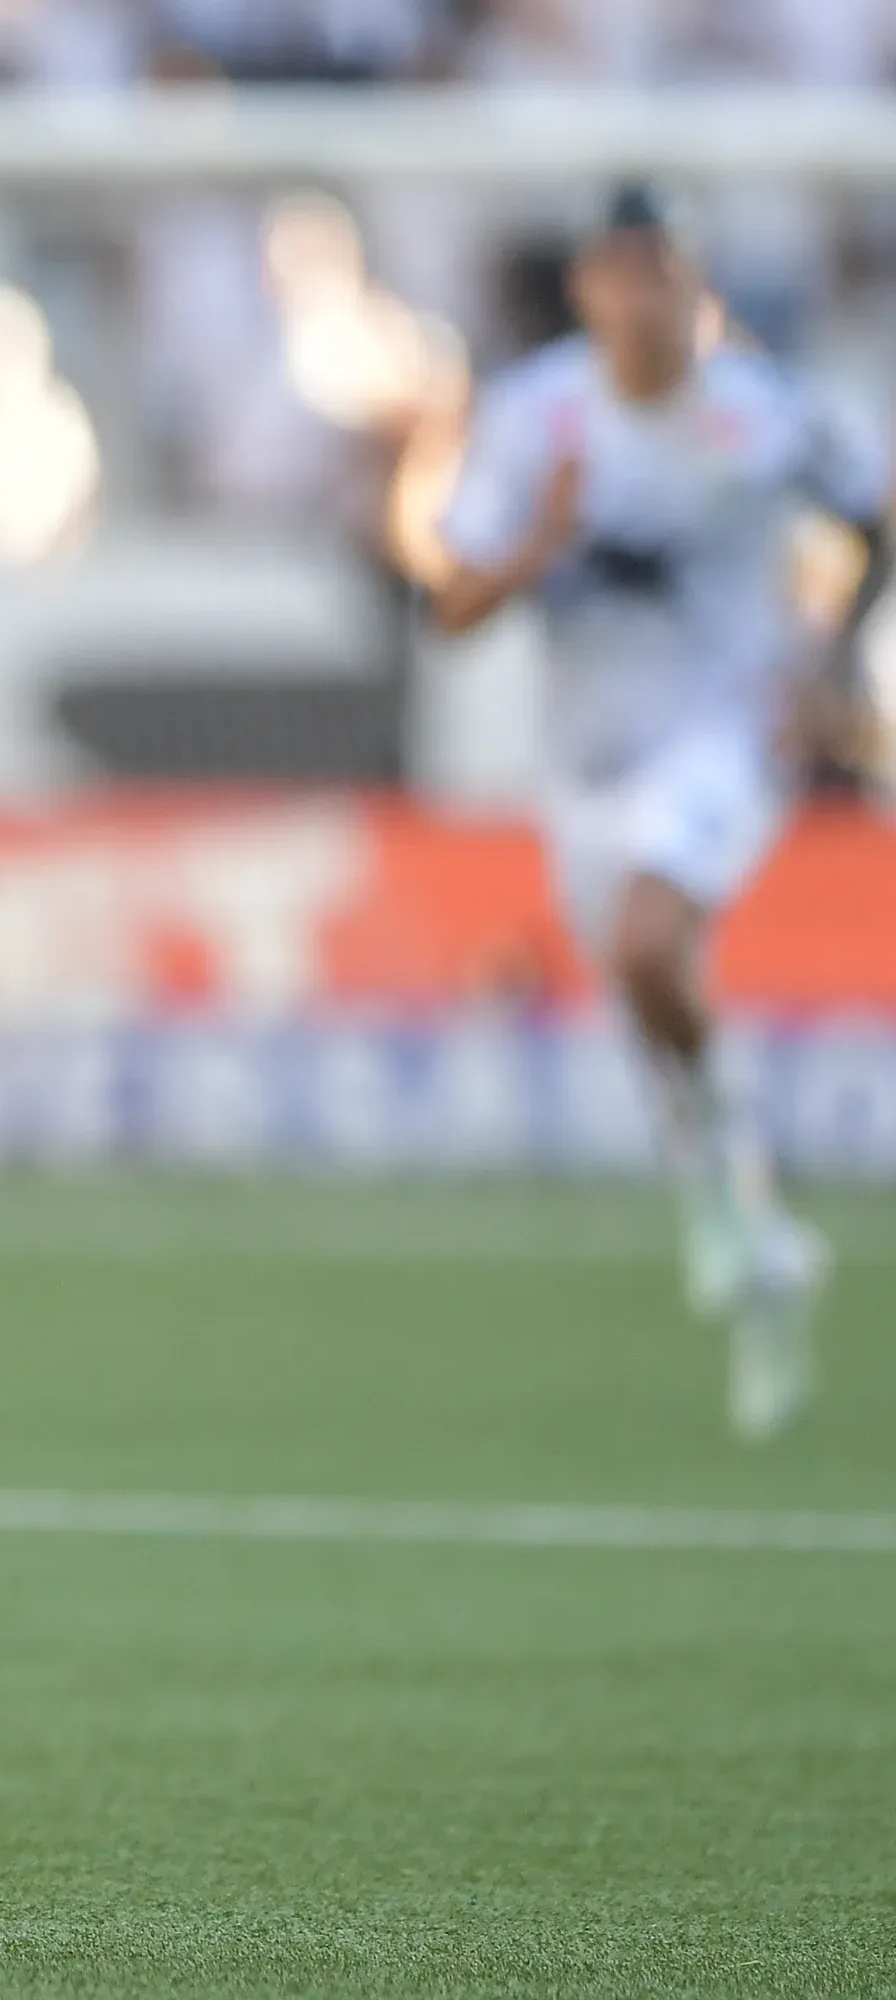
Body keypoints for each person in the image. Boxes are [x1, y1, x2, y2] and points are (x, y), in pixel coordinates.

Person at [425, 182, 889, 1441]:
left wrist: (834, 661)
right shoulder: (534, 421)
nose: (646, 298)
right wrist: (537, 546)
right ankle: (750, 1221)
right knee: (653, 1007)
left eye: (667, 271)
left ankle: (733, 1182)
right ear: (586, 290)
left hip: (726, 733)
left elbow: (873, 512)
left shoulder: (763, 409)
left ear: (699, 284)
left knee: (646, 940)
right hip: (585, 760)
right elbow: (450, 609)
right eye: (622, 274)